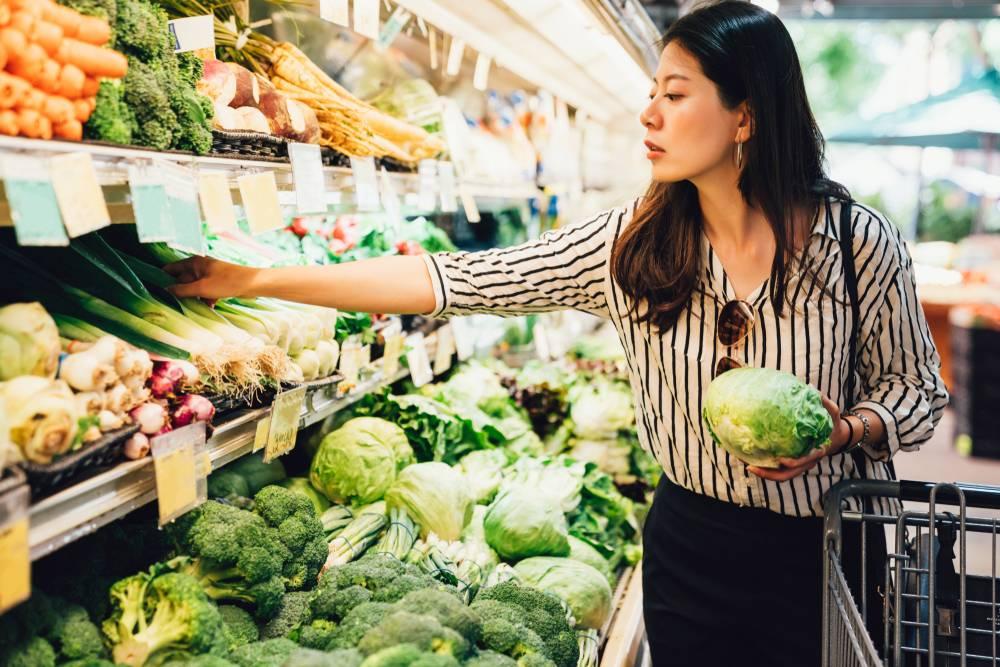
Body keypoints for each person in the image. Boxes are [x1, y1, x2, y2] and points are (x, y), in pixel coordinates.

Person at [166, 1, 948, 664]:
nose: (649, 114)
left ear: (745, 114)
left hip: (823, 556)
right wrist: (254, 279)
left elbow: (916, 391)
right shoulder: (631, 248)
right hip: (692, 546)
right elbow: (453, 281)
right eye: (652, 92)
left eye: (675, 95)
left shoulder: (854, 244)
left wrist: (846, 426)